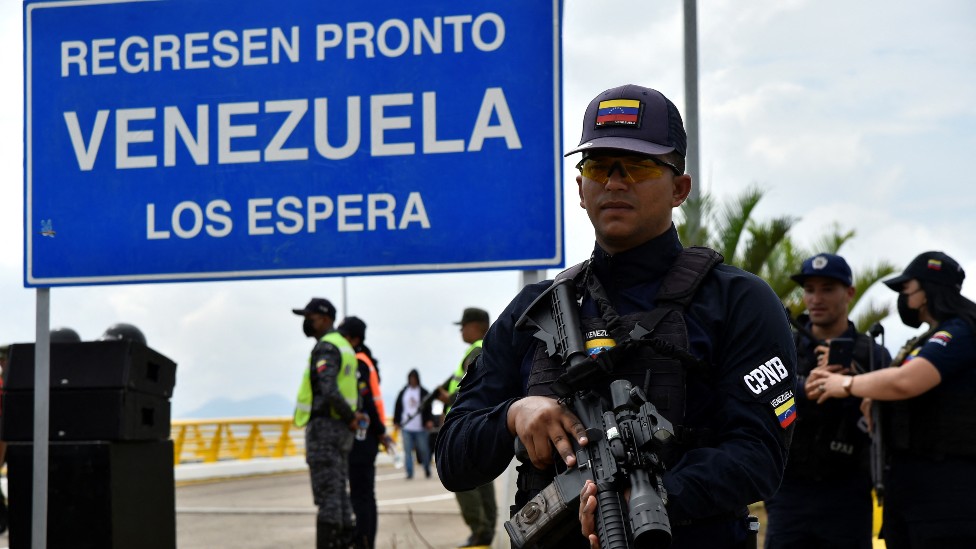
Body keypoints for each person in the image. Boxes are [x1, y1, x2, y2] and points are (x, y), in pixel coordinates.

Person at [435, 84, 797, 549]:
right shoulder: (533, 311)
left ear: (680, 188)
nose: (616, 181)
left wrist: (652, 497)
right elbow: (453, 459)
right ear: (581, 190)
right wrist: (513, 415)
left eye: (640, 166)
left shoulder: (738, 301)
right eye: (599, 166)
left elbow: (759, 456)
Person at [808, 251, 976, 548]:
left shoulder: (959, 332)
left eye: (906, 290)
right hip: (915, 496)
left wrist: (846, 383)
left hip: (947, 499)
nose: (902, 299)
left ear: (927, 292)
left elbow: (905, 381)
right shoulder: (925, 340)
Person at [764, 253, 891, 549]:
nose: (816, 298)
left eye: (827, 289)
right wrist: (804, 388)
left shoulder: (872, 354)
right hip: (789, 488)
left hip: (849, 489)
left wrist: (853, 383)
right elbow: (761, 398)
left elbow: (889, 414)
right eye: (810, 289)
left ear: (849, 293)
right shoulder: (784, 345)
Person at [292, 298, 368, 549]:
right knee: (339, 493)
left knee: (328, 497)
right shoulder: (345, 346)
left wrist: (348, 416)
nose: (306, 322)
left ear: (325, 319)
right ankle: (346, 541)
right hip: (342, 430)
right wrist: (352, 417)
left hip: (326, 428)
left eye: (310, 317)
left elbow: (329, 389)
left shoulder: (327, 347)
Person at [435, 307, 497, 548]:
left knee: (460, 477)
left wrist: (448, 401)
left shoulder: (477, 350)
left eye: (463, 325)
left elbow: (471, 388)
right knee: (482, 480)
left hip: (466, 426)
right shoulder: (486, 348)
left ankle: (479, 530)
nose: (461, 330)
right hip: (477, 423)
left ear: (476, 326)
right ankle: (485, 530)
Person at [338, 316, 390, 549]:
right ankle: (365, 539)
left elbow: (367, 399)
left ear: (354, 338)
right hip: (369, 435)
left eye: (344, 334)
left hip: (362, 436)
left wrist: (379, 431)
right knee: (365, 494)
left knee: (360, 495)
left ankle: (363, 541)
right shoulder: (367, 359)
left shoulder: (357, 362)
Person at [392, 369, 433, 480]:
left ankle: (427, 468)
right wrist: (396, 421)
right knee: (407, 451)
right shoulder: (403, 392)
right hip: (407, 427)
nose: (412, 380)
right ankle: (409, 472)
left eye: (414, 378)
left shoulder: (424, 392)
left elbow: (429, 408)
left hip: (420, 427)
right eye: (411, 378)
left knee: (424, 450)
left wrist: (429, 420)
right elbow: (398, 407)